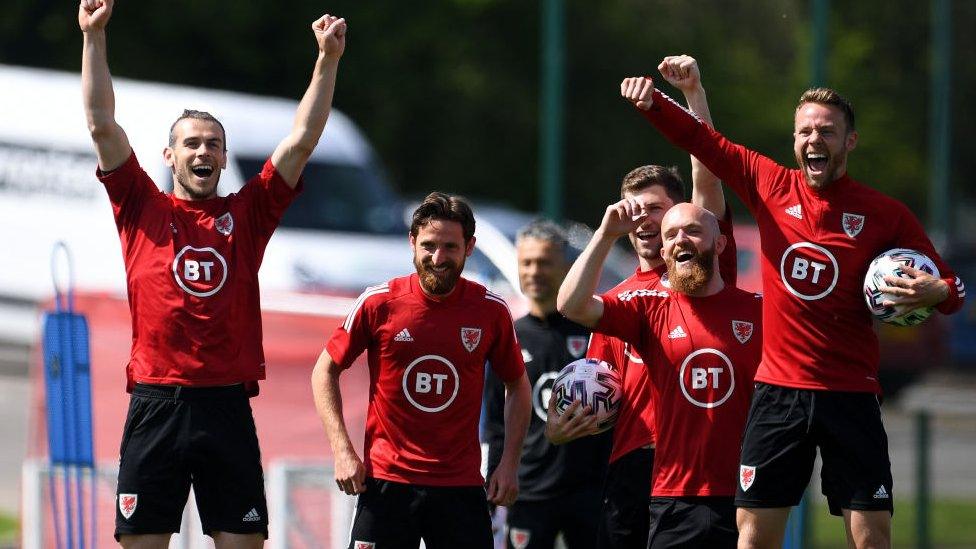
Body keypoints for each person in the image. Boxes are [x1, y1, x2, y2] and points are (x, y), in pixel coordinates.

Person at [621, 75, 966, 548]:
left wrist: (936, 292)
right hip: (778, 393)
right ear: (794, 140)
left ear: (850, 141)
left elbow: (953, 287)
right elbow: (702, 141)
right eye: (804, 131)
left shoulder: (886, 214)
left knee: (871, 536)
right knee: (755, 534)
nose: (813, 140)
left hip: (851, 392)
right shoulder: (769, 183)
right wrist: (654, 103)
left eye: (825, 131)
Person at [79, 0, 346, 545]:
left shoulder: (247, 215)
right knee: (143, 542)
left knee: (243, 541)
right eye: (192, 144)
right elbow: (102, 124)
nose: (203, 151)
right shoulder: (141, 206)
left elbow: (300, 141)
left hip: (225, 405)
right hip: (156, 402)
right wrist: (93, 36)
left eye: (213, 145)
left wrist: (327, 59)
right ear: (170, 157)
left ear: (224, 160)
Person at [546, 55, 736, 549]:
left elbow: (708, 176)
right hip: (632, 469)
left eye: (656, 208)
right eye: (634, 211)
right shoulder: (618, 302)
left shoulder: (708, 274)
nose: (644, 220)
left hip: (702, 475)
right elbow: (595, 390)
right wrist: (564, 428)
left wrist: (694, 95)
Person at [312, 192, 532, 549]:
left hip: (460, 486)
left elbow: (518, 386)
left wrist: (509, 464)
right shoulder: (378, 302)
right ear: (412, 242)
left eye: (450, 246)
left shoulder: (489, 310)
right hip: (387, 482)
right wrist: (342, 450)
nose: (438, 258)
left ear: (470, 247)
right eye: (429, 245)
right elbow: (324, 371)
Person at [557, 201, 762, 548]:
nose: (681, 239)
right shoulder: (646, 307)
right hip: (673, 495)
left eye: (693, 231)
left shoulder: (758, 310)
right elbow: (571, 305)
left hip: (746, 496)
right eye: (672, 235)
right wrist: (606, 235)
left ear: (721, 243)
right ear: (664, 251)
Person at [483, 220, 612, 548]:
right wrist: (493, 482)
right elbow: (496, 423)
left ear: (567, 267)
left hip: (591, 490)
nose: (534, 271)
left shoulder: (594, 329)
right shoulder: (509, 335)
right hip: (527, 492)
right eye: (527, 263)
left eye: (544, 262)